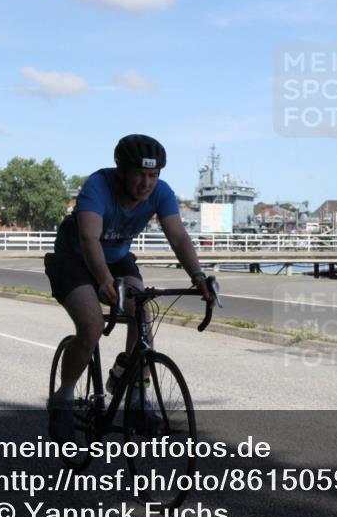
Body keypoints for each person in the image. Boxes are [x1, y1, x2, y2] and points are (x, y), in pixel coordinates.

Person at [44, 134, 216, 443]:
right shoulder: (98, 185)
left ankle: (132, 385)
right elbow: (89, 239)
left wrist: (199, 277)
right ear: (121, 170)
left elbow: (178, 237)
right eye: (140, 174)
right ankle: (63, 398)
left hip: (118, 259)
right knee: (92, 325)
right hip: (74, 259)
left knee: (142, 309)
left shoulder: (161, 193)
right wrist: (104, 281)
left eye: (153, 175)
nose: (146, 183)